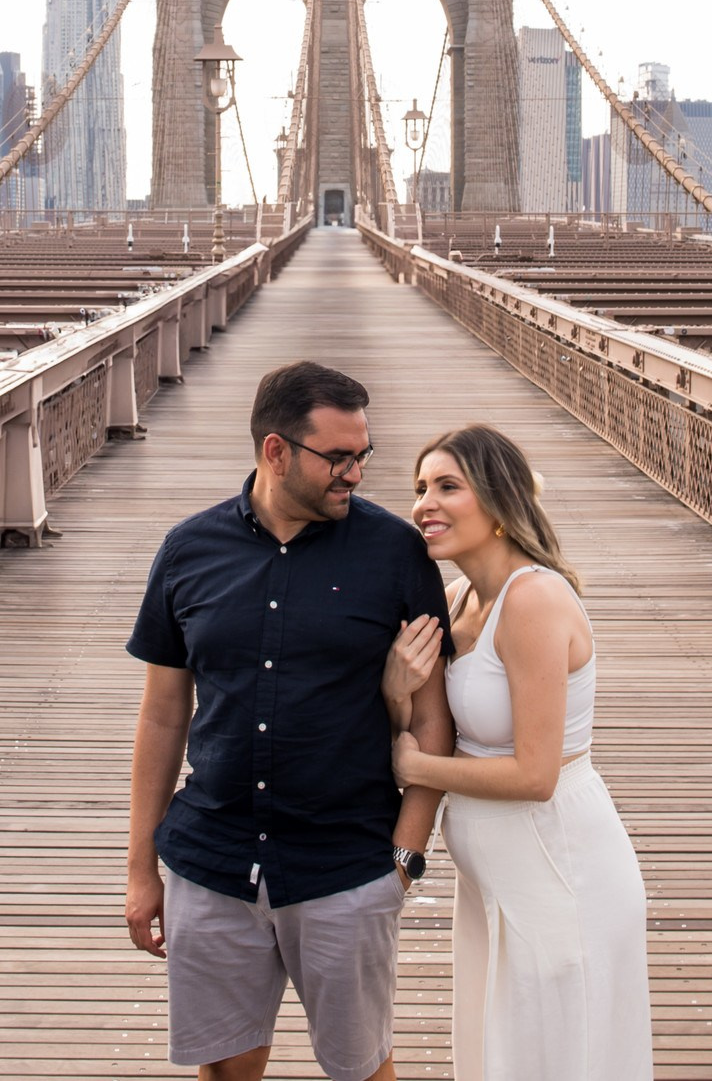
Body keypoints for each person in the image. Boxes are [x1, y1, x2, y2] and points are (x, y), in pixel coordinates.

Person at [125, 360, 457, 1081]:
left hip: (346, 863)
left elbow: (435, 716)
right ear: (277, 451)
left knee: (363, 1070)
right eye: (338, 457)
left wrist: (405, 857)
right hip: (212, 859)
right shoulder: (188, 551)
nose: (356, 474)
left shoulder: (395, 551)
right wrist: (139, 869)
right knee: (227, 1069)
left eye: (362, 455)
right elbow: (161, 716)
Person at [382, 425, 653, 1080]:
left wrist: (416, 769)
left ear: (499, 500)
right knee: (503, 1052)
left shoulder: (533, 599)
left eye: (448, 485)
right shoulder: (457, 600)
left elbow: (536, 773)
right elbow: (422, 720)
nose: (425, 503)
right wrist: (396, 690)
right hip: (496, 882)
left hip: (558, 867)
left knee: (557, 1055)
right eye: (420, 487)